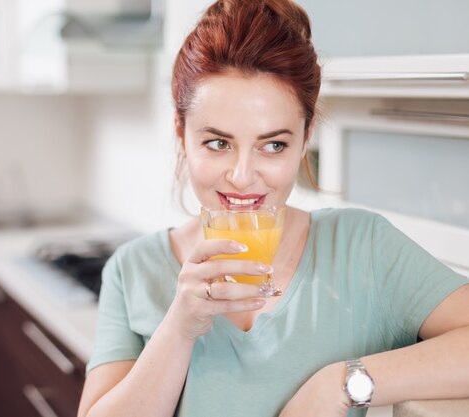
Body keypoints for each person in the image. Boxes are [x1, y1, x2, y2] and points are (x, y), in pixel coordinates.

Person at [77, 1, 469, 416]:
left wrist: (339, 384)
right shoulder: (133, 269)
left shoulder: (362, 247)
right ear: (182, 133)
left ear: (305, 138)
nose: (243, 176)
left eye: (273, 145)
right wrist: (179, 326)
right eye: (218, 143)